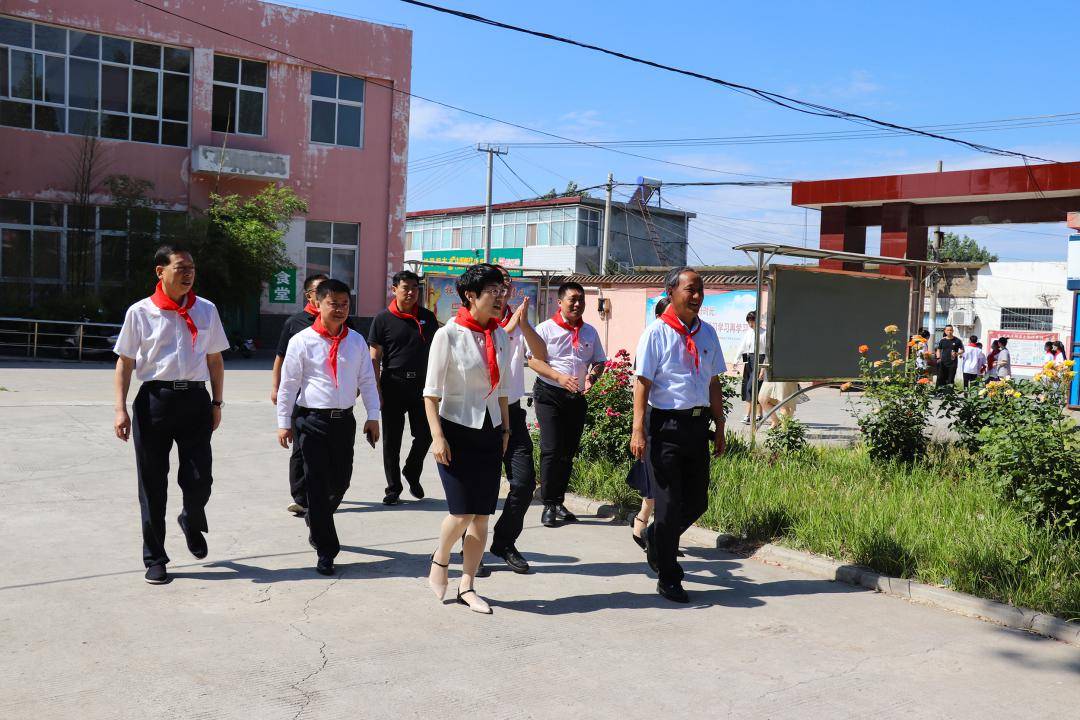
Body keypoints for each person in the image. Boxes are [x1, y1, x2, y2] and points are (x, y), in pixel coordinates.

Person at [113, 244, 230, 585]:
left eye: (191, 267)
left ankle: (191, 519)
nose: (188, 273)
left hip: (195, 401)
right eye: (180, 267)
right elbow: (125, 362)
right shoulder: (140, 312)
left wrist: (217, 403)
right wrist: (120, 409)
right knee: (152, 484)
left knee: (200, 479)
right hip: (154, 401)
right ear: (160, 271)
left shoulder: (206, 310)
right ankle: (155, 557)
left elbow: (215, 360)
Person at [631, 267, 726, 603]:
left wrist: (720, 427)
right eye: (691, 290)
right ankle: (669, 577)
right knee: (668, 506)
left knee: (698, 501)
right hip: (665, 428)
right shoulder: (656, 333)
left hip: (698, 427)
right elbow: (642, 383)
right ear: (670, 292)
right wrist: (638, 430)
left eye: (700, 290)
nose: (697, 296)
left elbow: (714, 382)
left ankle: (657, 535)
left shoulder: (708, 333)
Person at [276, 279, 381, 576]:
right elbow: (288, 386)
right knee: (317, 485)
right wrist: (284, 423)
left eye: (345, 304)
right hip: (311, 421)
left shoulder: (356, 341)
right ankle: (326, 551)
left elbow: (367, 381)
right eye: (333, 303)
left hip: (343, 421)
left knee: (341, 481)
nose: (340, 309)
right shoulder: (302, 341)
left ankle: (317, 518)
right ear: (318, 304)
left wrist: (373, 416)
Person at [424, 263, 512, 614]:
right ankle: (440, 558)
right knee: (461, 512)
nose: (500, 298)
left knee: (481, 517)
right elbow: (430, 393)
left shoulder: (500, 335)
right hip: (455, 430)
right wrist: (437, 437)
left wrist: (505, 430)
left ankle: (468, 585)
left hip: (490, 430)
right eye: (493, 291)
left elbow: (503, 389)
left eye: (502, 291)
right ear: (470, 295)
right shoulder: (448, 334)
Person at [528, 282, 607, 528]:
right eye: (572, 299)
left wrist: (592, 377)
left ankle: (559, 501)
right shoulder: (545, 329)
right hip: (549, 394)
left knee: (567, 453)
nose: (577, 304)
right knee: (551, 450)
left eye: (581, 300)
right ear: (559, 302)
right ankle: (549, 504)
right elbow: (533, 362)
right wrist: (559, 377)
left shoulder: (590, 332)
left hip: (576, 397)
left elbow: (599, 361)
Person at [489, 266, 548, 574]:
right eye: (496, 287)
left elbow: (540, 354)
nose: (502, 292)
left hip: (512, 412)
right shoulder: (475, 325)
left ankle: (504, 541)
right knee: (481, 490)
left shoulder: (517, 320)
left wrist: (524, 325)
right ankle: (466, 549)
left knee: (524, 484)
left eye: (506, 287)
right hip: (480, 415)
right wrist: (512, 324)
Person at [368, 270, 438, 505]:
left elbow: (438, 355)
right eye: (405, 287)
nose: (410, 292)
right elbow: (374, 357)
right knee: (392, 440)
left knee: (427, 433)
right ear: (394, 289)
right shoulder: (383, 319)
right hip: (393, 384)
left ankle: (412, 470)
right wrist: (375, 388)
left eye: (414, 288)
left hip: (422, 386)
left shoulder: (427, 318)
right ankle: (393, 487)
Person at [271, 272, 329, 517]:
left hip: (327, 397)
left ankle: (320, 491)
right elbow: (280, 357)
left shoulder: (341, 321)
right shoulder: (295, 323)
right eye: (321, 291)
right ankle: (300, 497)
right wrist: (276, 387)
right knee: (299, 446)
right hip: (298, 395)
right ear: (309, 295)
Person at [627, 297, 668, 550]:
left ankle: (649, 525)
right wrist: (638, 428)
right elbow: (640, 386)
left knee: (667, 480)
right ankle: (647, 525)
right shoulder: (652, 340)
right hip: (654, 417)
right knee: (656, 476)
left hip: (681, 421)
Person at [735, 310, 765, 425]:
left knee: (752, 387)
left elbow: (767, 352)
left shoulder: (764, 333)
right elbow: (742, 347)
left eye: (752, 321)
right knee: (752, 387)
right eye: (749, 322)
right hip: (749, 361)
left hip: (760, 360)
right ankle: (759, 415)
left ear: (758, 321)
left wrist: (763, 368)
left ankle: (748, 415)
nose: (750, 324)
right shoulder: (748, 333)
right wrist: (736, 360)